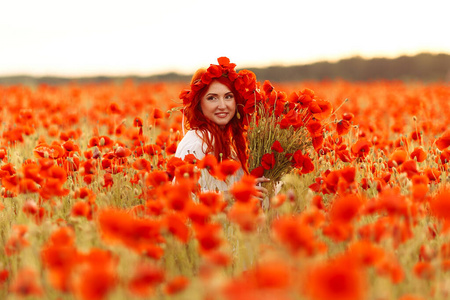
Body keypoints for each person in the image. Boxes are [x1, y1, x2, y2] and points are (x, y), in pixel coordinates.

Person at [174, 57, 269, 200]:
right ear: (199, 104)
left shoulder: (223, 139)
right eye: (212, 98)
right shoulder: (196, 144)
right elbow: (184, 199)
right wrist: (235, 195)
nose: (223, 105)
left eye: (228, 96)